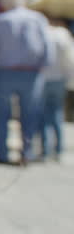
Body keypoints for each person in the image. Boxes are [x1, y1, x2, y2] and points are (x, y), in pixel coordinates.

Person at [0, 0, 54, 165]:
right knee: (30, 114)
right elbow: (48, 48)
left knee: (1, 114)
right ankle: (27, 153)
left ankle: (2, 153)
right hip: (32, 73)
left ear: (5, 4)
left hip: (4, 72)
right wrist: (44, 66)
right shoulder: (38, 19)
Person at [40, 16, 74, 160]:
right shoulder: (63, 34)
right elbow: (70, 59)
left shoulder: (42, 33)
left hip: (43, 78)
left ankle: (46, 149)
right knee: (57, 113)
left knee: (44, 115)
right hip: (59, 77)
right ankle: (58, 149)